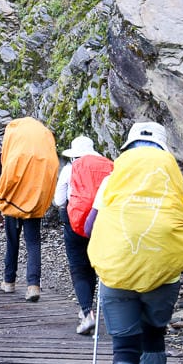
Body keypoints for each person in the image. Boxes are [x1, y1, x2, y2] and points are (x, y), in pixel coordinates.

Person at [85, 121, 183, 364]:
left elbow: (90, 226)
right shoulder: (172, 178)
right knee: (154, 335)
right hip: (162, 274)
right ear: (162, 149)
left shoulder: (113, 178)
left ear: (129, 147)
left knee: (125, 347)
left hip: (118, 273)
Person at [0, 117, 59, 302]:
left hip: (13, 200)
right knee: (33, 243)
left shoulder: (11, 152)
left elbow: (1, 178)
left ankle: (9, 282)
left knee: (12, 241)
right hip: (34, 201)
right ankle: (33, 286)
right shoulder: (42, 154)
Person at [53, 136, 113, 335]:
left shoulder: (71, 168)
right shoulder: (109, 166)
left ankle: (87, 312)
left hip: (76, 222)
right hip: (103, 223)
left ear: (74, 154)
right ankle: (89, 308)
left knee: (78, 266)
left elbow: (59, 199)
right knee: (94, 263)